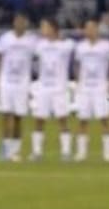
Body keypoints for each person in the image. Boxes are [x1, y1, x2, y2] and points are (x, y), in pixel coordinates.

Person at [0, 12, 38, 161]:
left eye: (22, 21)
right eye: (17, 21)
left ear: (26, 23)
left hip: (22, 83)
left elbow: (39, 58)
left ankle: (15, 150)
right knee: (6, 115)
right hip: (6, 81)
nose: (19, 24)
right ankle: (5, 149)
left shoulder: (32, 40)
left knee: (18, 117)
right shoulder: (5, 39)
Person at [72, 19, 109, 161]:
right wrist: (78, 80)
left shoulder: (106, 46)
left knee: (105, 118)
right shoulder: (80, 47)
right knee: (82, 119)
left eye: (92, 28)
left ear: (97, 30)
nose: (90, 31)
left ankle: (108, 153)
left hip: (102, 88)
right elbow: (76, 64)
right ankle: (81, 152)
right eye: (87, 28)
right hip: (84, 88)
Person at [30, 19, 75, 161]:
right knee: (39, 120)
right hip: (43, 87)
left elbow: (73, 45)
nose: (42, 30)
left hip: (59, 88)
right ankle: (37, 152)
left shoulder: (66, 45)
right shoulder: (39, 45)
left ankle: (66, 152)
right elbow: (33, 59)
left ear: (53, 29)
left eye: (45, 27)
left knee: (62, 119)